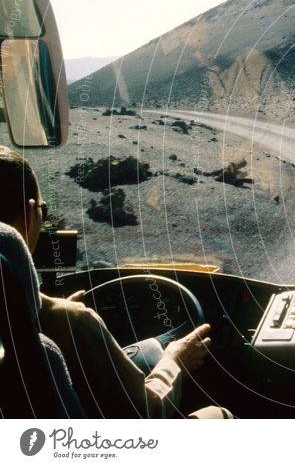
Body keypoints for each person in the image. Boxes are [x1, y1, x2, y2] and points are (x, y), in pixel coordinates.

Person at [0, 145, 224, 418]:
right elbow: (146, 414)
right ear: (27, 218)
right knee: (217, 414)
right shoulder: (72, 324)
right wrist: (175, 360)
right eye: (43, 213)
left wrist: (53, 316)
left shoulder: (40, 327)